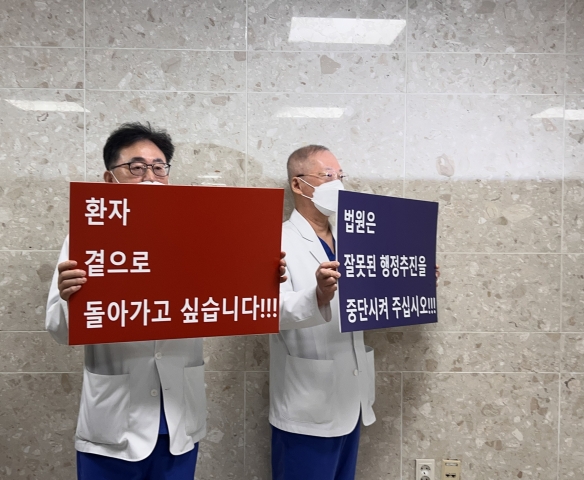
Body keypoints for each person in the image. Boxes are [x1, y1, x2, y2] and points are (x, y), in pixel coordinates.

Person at [46, 122, 286, 480]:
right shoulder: (87, 238)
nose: (150, 178)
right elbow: (58, 329)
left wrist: (260, 279)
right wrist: (69, 299)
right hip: (114, 422)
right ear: (109, 180)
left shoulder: (200, 239)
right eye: (137, 168)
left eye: (159, 168)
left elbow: (231, 302)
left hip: (177, 417)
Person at [270, 145, 439, 480]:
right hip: (307, 403)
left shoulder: (357, 238)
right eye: (328, 176)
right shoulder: (277, 240)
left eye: (341, 176)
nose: (339, 184)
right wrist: (317, 295)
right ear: (298, 185)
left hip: (352, 397)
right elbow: (269, 311)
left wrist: (413, 278)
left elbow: (371, 297)